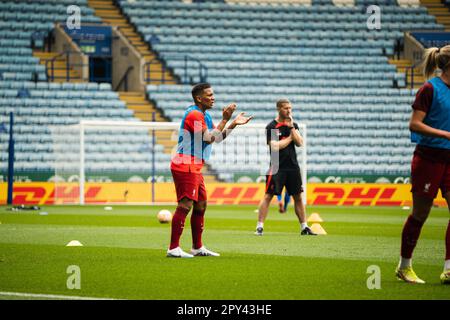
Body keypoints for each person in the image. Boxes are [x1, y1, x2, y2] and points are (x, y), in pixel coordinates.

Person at [168, 83, 253, 258]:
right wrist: (225, 119)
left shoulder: (203, 115)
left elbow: (218, 137)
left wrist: (233, 123)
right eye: (210, 94)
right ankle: (173, 248)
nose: (213, 97)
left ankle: (197, 247)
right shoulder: (194, 115)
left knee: (201, 205)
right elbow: (208, 139)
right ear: (199, 98)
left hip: (194, 165)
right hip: (186, 164)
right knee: (185, 205)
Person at [396, 45, 450, 284]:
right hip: (429, 158)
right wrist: (446, 134)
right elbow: (414, 124)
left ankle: (449, 268)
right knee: (420, 213)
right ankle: (404, 266)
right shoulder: (430, 89)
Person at [255, 99, 316, 236]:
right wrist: (290, 139)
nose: (289, 111)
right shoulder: (272, 126)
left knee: (298, 197)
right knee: (268, 196)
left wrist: (291, 129)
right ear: (278, 109)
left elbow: (300, 143)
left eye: (290, 108)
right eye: (285, 108)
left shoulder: (293, 125)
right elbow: (275, 146)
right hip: (276, 167)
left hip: (293, 167)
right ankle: (259, 227)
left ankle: (304, 227)